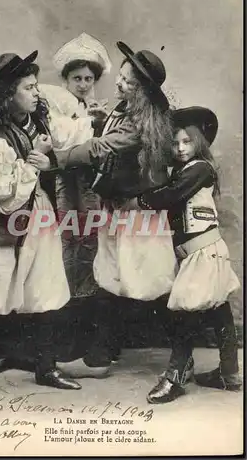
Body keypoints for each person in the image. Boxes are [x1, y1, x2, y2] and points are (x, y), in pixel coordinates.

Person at [40, 41, 178, 378]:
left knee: (156, 284)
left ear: (141, 90)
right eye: (121, 76)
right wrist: (101, 120)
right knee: (112, 278)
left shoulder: (140, 122)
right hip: (122, 211)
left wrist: (54, 160)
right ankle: (100, 354)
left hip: (139, 214)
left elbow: (100, 148)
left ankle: (183, 357)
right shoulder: (127, 110)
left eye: (128, 82)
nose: (119, 83)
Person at [0, 50, 81, 403]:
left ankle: (46, 367)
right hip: (1, 227)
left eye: (36, 86)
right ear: (8, 95)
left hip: (37, 221)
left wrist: (48, 156)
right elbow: (5, 199)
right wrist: (34, 160)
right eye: (29, 87)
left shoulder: (37, 126)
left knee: (45, 292)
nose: (37, 93)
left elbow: (67, 148)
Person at [133, 106, 241, 403]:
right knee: (218, 308)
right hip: (201, 251)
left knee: (183, 313)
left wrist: (140, 199)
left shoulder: (201, 169)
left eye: (186, 142)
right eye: (175, 143)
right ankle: (229, 372)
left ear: (199, 143)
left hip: (203, 251)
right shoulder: (183, 171)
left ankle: (175, 377)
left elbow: (172, 195)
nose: (180, 148)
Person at [39, 33, 110, 306]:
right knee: (68, 234)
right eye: (77, 78)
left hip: (90, 179)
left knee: (91, 232)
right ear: (65, 81)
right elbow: (61, 141)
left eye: (88, 79)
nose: (82, 84)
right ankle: (68, 297)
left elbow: (101, 147)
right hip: (64, 177)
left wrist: (99, 123)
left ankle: (88, 294)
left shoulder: (94, 108)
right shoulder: (56, 106)